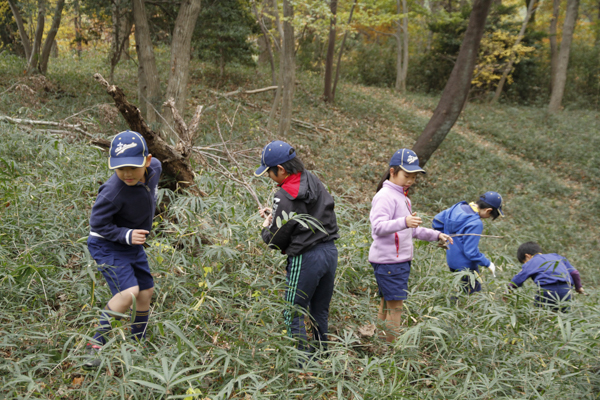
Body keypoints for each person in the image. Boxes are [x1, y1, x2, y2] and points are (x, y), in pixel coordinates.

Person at [84, 130, 162, 369]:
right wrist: (126, 235)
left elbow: (152, 175)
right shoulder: (112, 192)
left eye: (133, 167)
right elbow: (97, 223)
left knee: (145, 292)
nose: (127, 174)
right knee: (128, 292)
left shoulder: (155, 168)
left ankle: (138, 338)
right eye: (120, 168)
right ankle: (94, 345)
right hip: (107, 243)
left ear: (147, 161)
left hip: (132, 243)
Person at [255, 141, 339, 360]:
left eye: (269, 173)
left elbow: (275, 240)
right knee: (319, 310)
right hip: (329, 252)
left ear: (281, 169)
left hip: (307, 258)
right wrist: (275, 215)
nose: (269, 177)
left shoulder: (282, 196)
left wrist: (266, 227)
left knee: (293, 311)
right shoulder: (312, 179)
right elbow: (315, 212)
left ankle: (300, 366)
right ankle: (322, 359)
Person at [369, 149, 452, 343]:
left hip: (396, 260)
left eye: (414, 177)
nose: (410, 181)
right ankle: (389, 350)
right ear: (392, 171)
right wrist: (404, 222)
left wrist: (436, 235)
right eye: (406, 175)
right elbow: (378, 227)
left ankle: (379, 343)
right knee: (396, 308)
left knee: (386, 305)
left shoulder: (403, 197)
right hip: (390, 261)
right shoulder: (385, 196)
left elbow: (411, 230)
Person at [432, 192, 502, 294]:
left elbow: (436, 221)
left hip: (452, 261)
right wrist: (488, 263)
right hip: (466, 267)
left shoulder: (458, 207)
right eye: (490, 216)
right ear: (488, 210)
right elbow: (471, 252)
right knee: (471, 295)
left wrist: (443, 236)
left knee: (458, 291)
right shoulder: (475, 223)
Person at [507, 241, 584, 311]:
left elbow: (518, 278)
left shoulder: (532, 261)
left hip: (547, 290)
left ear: (527, 256)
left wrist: (507, 292)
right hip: (566, 290)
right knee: (564, 316)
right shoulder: (557, 256)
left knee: (539, 316)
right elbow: (574, 273)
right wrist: (578, 287)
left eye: (524, 262)